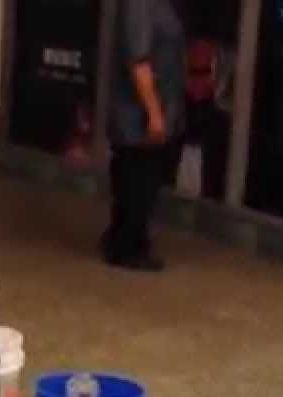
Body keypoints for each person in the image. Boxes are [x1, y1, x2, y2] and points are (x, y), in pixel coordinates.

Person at [101, 0, 186, 271]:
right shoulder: (139, 5)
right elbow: (138, 60)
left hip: (157, 110)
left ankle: (122, 240)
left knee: (141, 180)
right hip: (138, 115)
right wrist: (154, 113)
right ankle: (128, 248)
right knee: (137, 180)